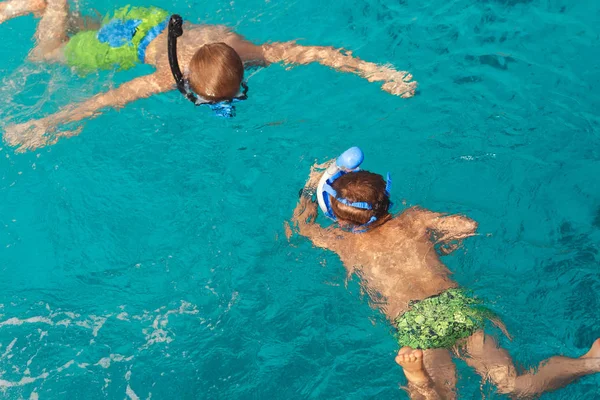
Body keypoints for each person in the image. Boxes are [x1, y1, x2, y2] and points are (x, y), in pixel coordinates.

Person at [291, 147, 600, 399]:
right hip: (454, 306)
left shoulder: (342, 241)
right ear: (387, 196)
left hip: (415, 322)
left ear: (341, 220)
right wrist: (445, 240)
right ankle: (589, 362)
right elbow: (468, 226)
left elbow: (303, 226)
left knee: (442, 393)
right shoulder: (414, 218)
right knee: (513, 385)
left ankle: (419, 380)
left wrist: (309, 189)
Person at [0, 1, 416, 151]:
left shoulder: (244, 51)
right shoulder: (168, 75)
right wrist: (47, 123)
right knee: (47, 53)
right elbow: (108, 100)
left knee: (81, 25)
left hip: (148, 20)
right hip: (122, 44)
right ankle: (49, 3)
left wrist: (376, 72)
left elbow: (311, 52)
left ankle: (51, 9)